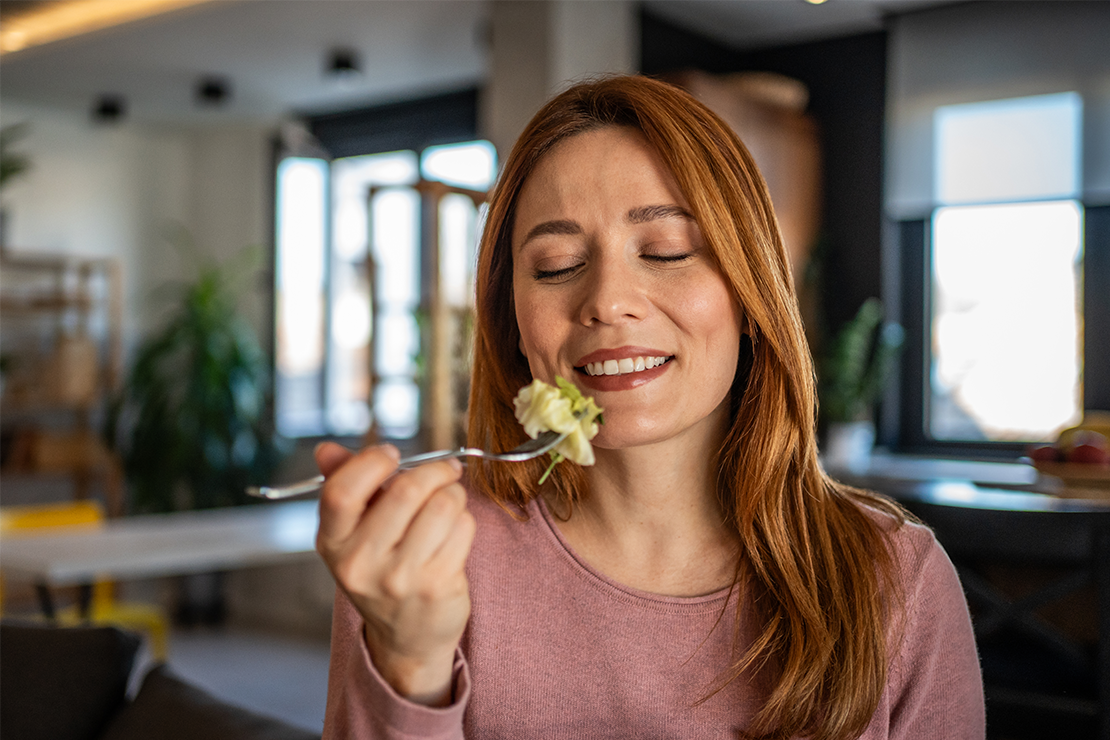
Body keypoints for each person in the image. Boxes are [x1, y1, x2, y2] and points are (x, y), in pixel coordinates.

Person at [314, 75, 984, 739]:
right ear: (512, 322)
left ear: (750, 298)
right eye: (555, 265)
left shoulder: (897, 582)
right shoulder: (423, 561)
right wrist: (410, 666)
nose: (607, 299)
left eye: (667, 251)